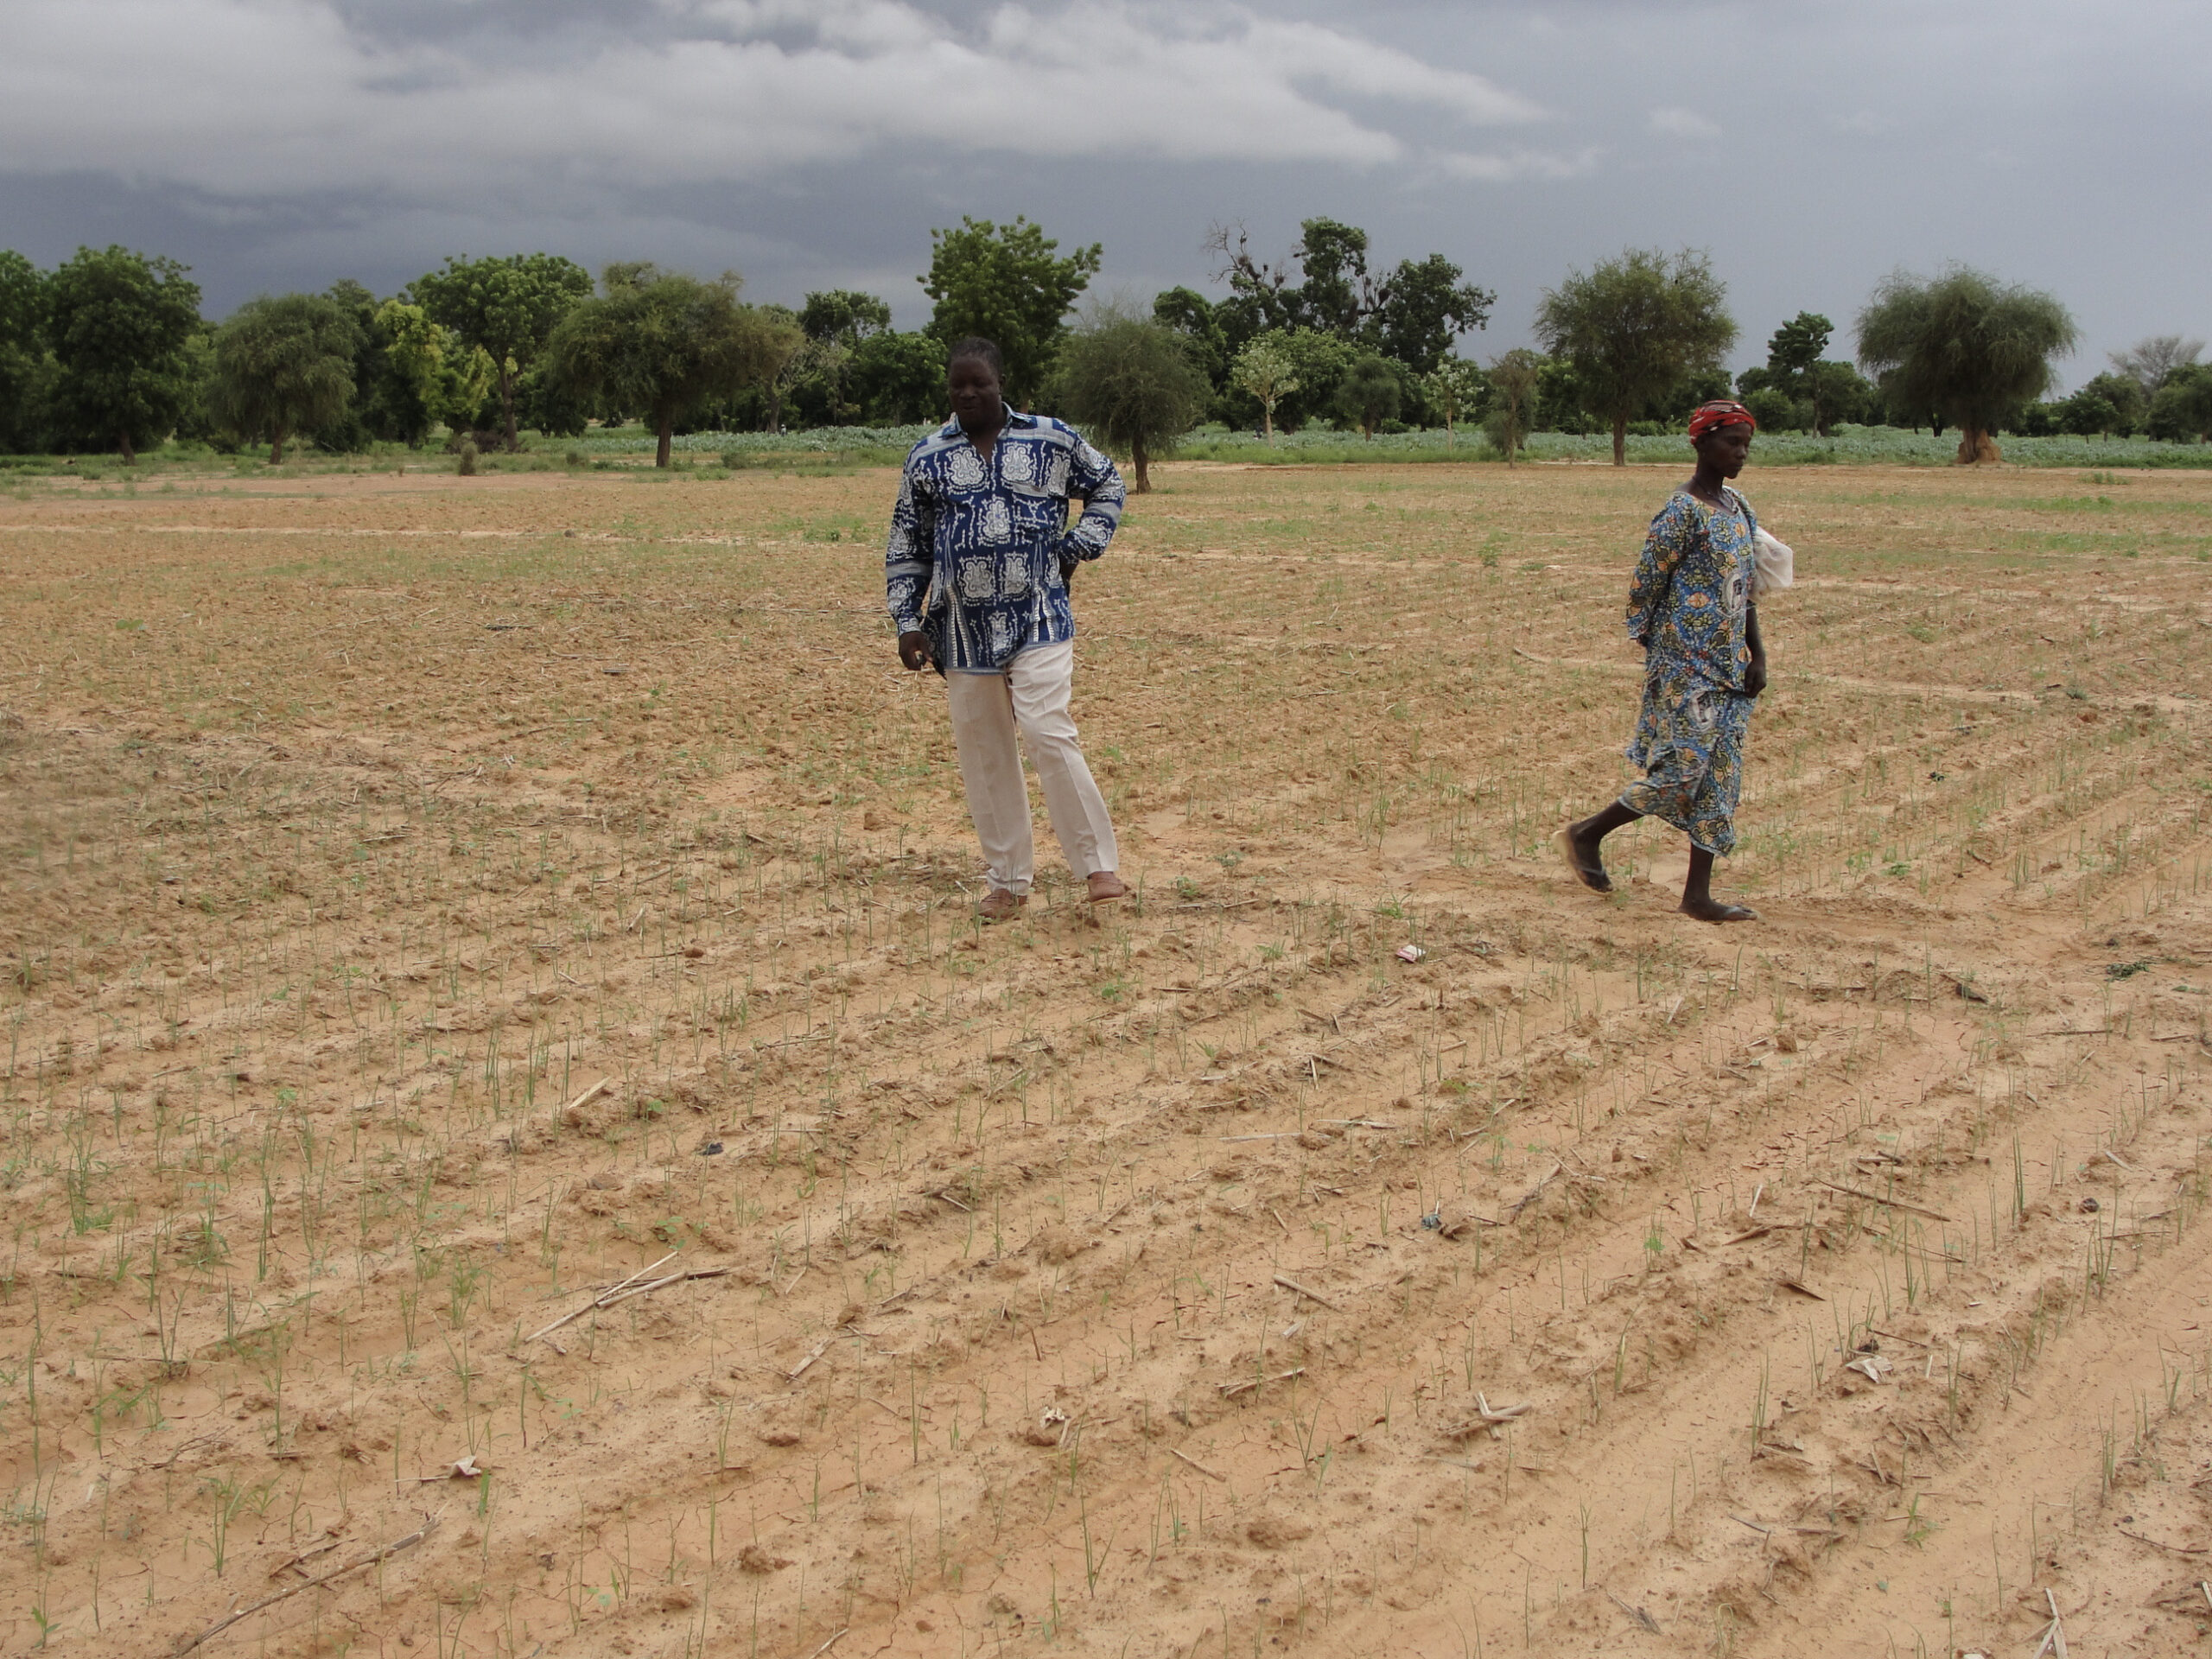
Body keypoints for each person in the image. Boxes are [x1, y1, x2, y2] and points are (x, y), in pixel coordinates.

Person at [885, 337, 1129, 922]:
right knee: (986, 755)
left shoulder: (1050, 439)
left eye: (979, 384)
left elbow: (1108, 483)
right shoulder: (927, 458)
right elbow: (906, 543)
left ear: (1000, 385)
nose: (968, 394)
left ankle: (1099, 868)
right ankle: (1009, 882)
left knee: (1048, 731)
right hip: (961, 630)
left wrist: (1080, 547)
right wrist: (906, 621)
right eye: (957, 386)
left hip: (1040, 614)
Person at [1557, 401, 1769, 922]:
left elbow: (1747, 589)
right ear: (1700, 443)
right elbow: (1645, 586)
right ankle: (1586, 834)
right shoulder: (1681, 511)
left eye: (1745, 444)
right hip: (1686, 666)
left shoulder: (1739, 507)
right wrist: (1662, 650)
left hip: (1731, 668)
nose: (1740, 453)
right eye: (1730, 443)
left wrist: (1756, 652)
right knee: (1680, 771)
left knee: (1720, 778)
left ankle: (1697, 897)